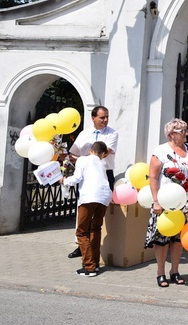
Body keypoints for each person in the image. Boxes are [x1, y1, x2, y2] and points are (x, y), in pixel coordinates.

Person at [145, 118, 188, 288]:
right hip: (165, 202)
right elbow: (153, 177)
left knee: (179, 239)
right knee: (163, 238)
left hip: (186, 201)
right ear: (171, 134)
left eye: (186, 130)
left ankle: (175, 270)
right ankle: (160, 272)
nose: (186, 133)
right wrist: (156, 201)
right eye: (182, 131)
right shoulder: (161, 151)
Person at [67, 105, 119, 259]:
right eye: (102, 117)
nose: (105, 120)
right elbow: (72, 153)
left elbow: (103, 154)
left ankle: (98, 245)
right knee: (83, 210)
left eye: (107, 117)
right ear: (93, 118)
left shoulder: (112, 134)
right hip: (85, 176)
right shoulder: (84, 134)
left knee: (98, 213)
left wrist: (83, 159)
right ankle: (81, 244)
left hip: (104, 174)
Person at [60, 141, 112, 277]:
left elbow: (77, 178)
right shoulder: (103, 163)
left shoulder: (83, 160)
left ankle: (89, 267)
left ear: (90, 150)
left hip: (89, 196)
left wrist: (64, 180)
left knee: (82, 232)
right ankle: (95, 264)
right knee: (95, 229)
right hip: (104, 197)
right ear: (102, 154)